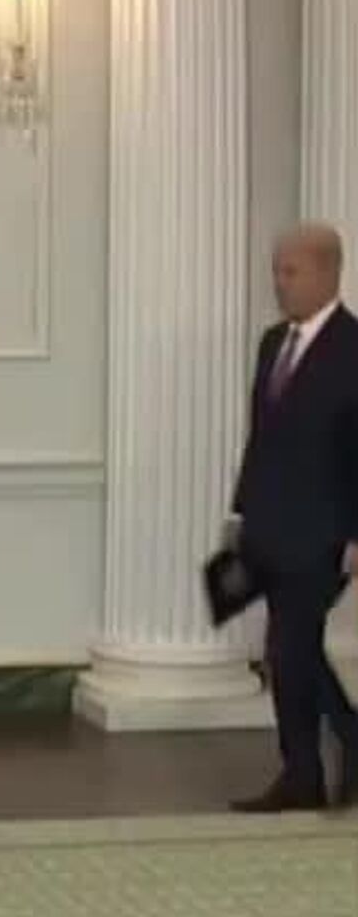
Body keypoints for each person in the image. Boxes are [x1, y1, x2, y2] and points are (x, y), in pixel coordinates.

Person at [226, 221, 358, 812]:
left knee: (289, 647)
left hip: (327, 532)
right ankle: (314, 765)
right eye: (277, 271)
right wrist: (241, 512)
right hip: (270, 525)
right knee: (293, 650)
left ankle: (309, 768)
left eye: (291, 271)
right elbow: (263, 436)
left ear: (328, 272)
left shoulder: (353, 349)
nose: (280, 283)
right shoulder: (272, 343)